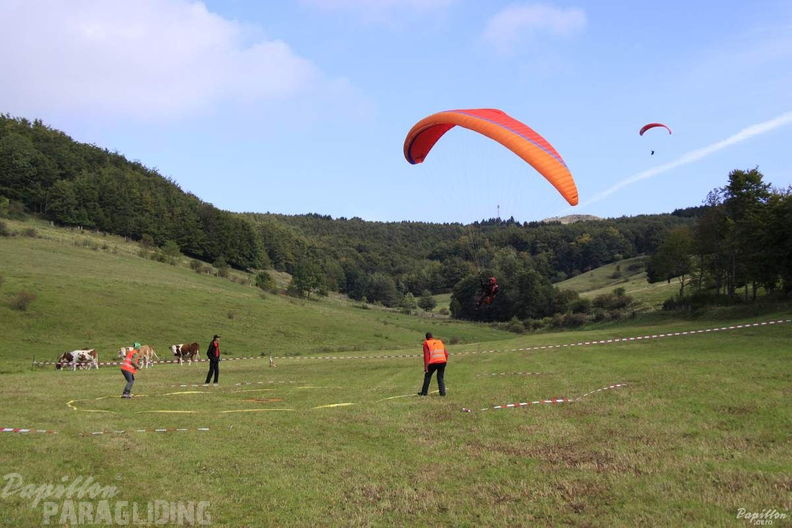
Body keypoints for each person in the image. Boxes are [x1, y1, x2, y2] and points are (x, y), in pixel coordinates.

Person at [418, 332, 447, 396]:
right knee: (440, 377)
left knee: (427, 376)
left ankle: (424, 393)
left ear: (426, 338)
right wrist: (445, 361)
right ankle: (442, 393)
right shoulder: (439, 341)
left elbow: (426, 356)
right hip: (443, 361)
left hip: (433, 362)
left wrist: (426, 367)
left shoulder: (426, 343)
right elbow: (446, 353)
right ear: (432, 337)